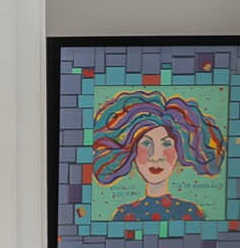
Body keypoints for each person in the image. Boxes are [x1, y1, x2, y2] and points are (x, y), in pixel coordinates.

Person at [91, 89, 227, 223]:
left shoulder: (192, 213)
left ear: (180, 151)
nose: (156, 156)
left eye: (167, 144)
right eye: (146, 143)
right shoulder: (124, 215)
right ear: (132, 150)